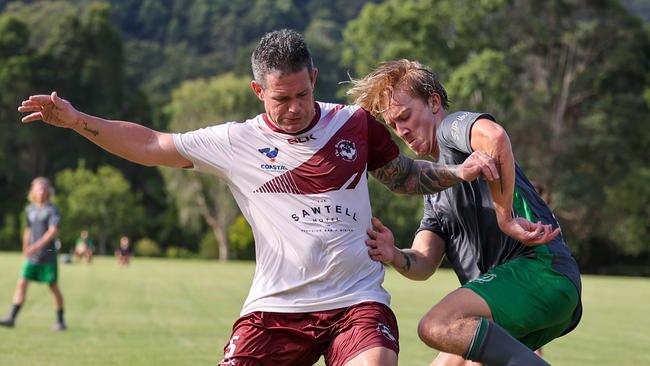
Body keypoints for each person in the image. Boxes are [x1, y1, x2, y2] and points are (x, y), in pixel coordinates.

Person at [17, 29, 500, 365]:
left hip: (357, 301)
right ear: (257, 90)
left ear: (313, 77)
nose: (293, 109)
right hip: (275, 310)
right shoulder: (235, 141)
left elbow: (404, 177)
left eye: (301, 95)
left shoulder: (355, 124)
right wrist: (78, 121)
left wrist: (459, 170)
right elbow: (148, 144)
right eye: (279, 99)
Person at [348, 59, 582, 366]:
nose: (402, 130)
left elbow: (495, 137)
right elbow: (423, 262)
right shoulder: (435, 191)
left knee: (436, 325)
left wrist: (505, 217)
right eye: (394, 125)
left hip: (541, 272)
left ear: (433, 102)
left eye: (405, 116)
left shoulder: (450, 129)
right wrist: (393, 253)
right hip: (519, 293)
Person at [0, 177, 67, 331]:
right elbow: (28, 230)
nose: (42, 191)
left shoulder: (52, 210)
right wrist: (25, 248)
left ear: (49, 191)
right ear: (33, 192)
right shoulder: (29, 210)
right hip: (32, 256)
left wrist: (36, 246)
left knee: (53, 286)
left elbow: (52, 231)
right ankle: (11, 318)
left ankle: (60, 321)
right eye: (38, 188)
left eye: (44, 188)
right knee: (22, 283)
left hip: (48, 255)